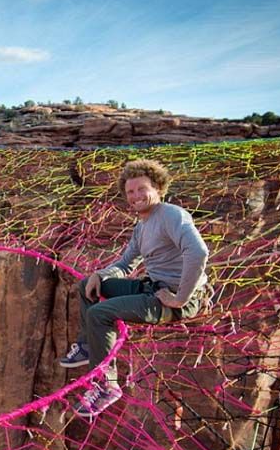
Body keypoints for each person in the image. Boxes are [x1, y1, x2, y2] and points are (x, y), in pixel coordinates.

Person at [61, 159, 210, 417]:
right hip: (152, 289)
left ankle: (107, 386)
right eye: (130, 192)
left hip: (170, 301)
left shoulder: (171, 215)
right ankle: (87, 346)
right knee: (87, 285)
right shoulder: (142, 226)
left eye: (142, 189)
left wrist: (180, 298)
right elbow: (126, 263)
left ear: (158, 188)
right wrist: (100, 274)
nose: (136, 196)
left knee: (100, 314)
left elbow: (198, 253)